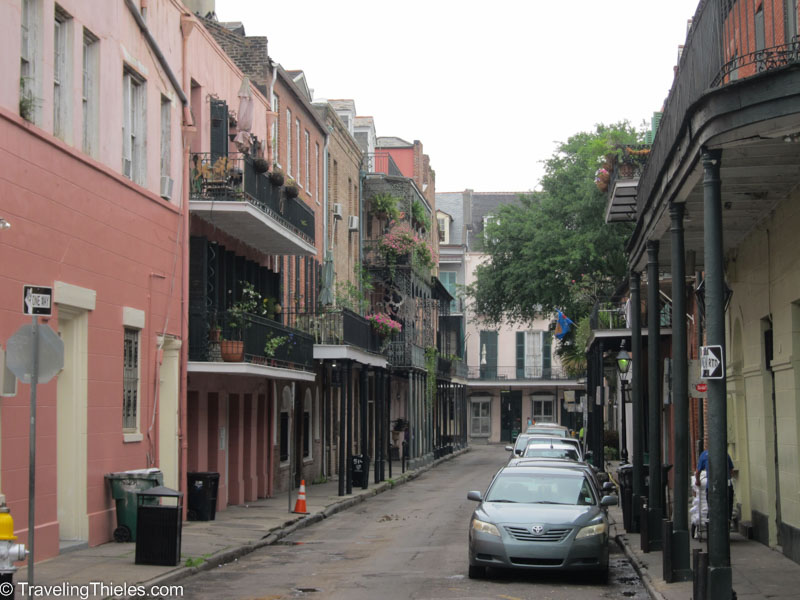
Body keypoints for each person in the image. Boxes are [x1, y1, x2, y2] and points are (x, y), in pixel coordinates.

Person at [695, 449, 734, 524]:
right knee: (727, 507)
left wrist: (698, 481)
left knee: (712, 508)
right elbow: (731, 470)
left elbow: (697, 472)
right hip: (727, 485)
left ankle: (711, 522)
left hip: (711, 487)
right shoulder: (724, 453)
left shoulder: (704, 455)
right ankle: (728, 521)